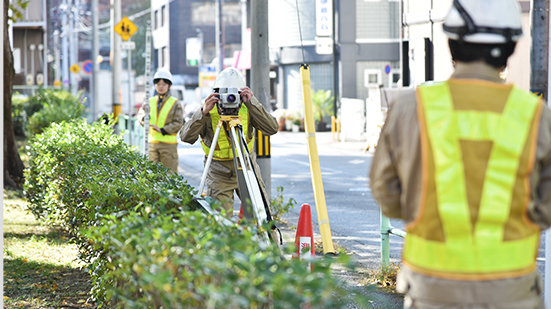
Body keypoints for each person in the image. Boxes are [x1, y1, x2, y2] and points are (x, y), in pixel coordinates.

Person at [369, 0, 551, 308]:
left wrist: (421, 212)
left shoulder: (409, 109)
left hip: (431, 288)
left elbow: (385, 190)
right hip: (511, 289)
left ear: (452, 43)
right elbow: (545, 206)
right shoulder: (535, 115)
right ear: (509, 48)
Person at [180, 67, 278, 216]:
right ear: (216, 94)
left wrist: (253, 103)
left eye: (234, 94)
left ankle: (269, 239)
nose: (229, 98)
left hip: (246, 166)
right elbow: (185, 137)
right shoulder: (208, 111)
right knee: (221, 221)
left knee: (261, 217)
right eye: (224, 93)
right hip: (218, 172)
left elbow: (272, 128)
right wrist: (202, 113)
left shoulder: (247, 108)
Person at [137, 70, 184, 174]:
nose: (161, 86)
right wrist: (144, 115)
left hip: (168, 145)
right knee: (151, 176)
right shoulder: (149, 102)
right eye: (158, 84)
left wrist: (163, 130)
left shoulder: (175, 103)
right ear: (155, 85)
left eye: (164, 84)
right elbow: (140, 118)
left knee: (169, 176)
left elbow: (179, 123)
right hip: (152, 144)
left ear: (169, 86)